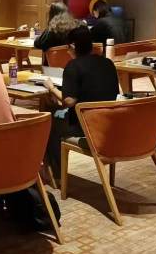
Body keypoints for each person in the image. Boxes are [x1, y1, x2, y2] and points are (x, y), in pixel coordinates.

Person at [41, 27, 119, 177]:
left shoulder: (73, 66)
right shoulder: (108, 63)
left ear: (73, 46)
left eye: (67, 47)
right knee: (56, 113)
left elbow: (69, 101)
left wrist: (51, 88)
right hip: (108, 123)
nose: (67, 51)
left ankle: (57, 175)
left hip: (85, 126)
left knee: (49, 120)